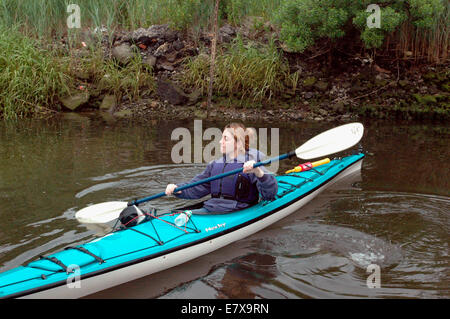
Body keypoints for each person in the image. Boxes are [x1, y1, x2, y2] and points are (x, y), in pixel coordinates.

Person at [165, 122, 278, 214]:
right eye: (221, 138)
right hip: (213, 208)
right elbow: (197, 187)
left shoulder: (252, 164)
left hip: (237, 210)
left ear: (238, 143)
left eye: (225, 139)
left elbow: (270, 194)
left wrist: (258, 172)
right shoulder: (215, 165)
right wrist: (178, 189)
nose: (220, 142)